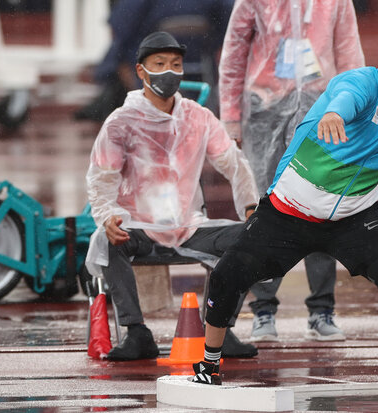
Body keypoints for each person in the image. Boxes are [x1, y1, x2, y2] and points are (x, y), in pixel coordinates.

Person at [191, 35, 378, 405]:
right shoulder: (361, 83)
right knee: (227, 275)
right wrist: (335, 114)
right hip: (288, 211)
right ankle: (209, 366)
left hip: (354, 218)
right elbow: (344, 99)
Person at [85, 31, 261, 361]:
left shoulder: (198, 116)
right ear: (141, 71)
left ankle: (220, 329)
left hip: (188, 225)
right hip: (138, 227)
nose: (169, 71)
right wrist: (107, 216)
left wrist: (251, 206)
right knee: (107, 240)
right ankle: (137, 333)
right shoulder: (121, 122)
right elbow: (101, 177)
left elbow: (234, 163)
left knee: (252, 238)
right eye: (160, 64)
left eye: (176, 64)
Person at [218, 0, 365, 342]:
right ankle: (264, 309)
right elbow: (234, 53)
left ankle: (322, 310)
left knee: (321, 205)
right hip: (264, 107)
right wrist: (231, 116)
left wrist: (354, 112)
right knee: (267, 209)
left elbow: (349, 56)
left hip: (322, 109)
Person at [75, 0, 234, 121]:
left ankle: (143, 104)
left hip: (158, 52)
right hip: (199, 55)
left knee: (125, 51)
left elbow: (120, 25)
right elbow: (231, 19)